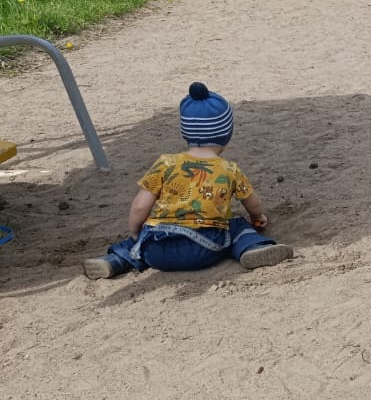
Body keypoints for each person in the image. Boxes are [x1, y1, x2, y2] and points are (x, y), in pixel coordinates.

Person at [83, 82, 292, 279]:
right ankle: (253, 247)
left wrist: (136, 231)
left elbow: (140, 205)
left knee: (135, 243)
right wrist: (258, 217)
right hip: (204, 247)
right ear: (226, 135)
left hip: (158, 248)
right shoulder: (229, 169)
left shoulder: (165, 163)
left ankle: (114, 261)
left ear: (186, 132)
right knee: (237, 226)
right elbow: (253, 203)